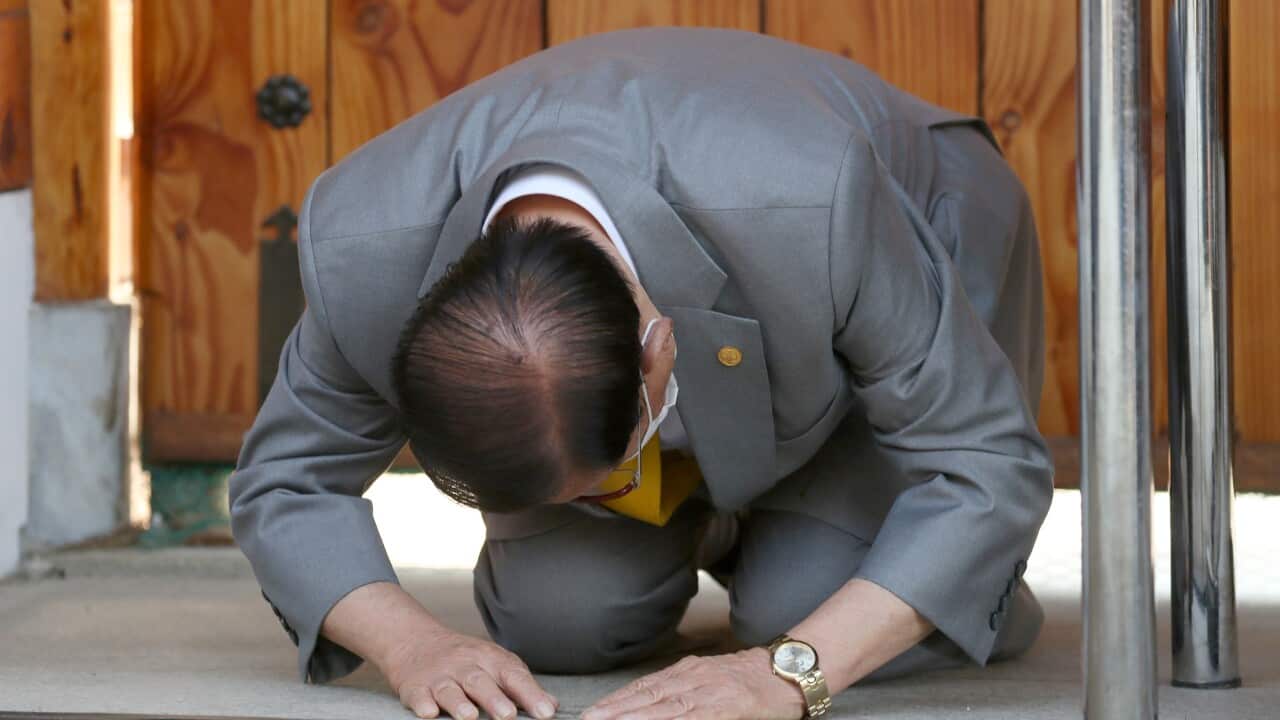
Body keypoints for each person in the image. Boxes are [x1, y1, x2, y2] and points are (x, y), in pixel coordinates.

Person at [230, 26, 1053, 720]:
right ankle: (750, 534)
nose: (601, 507)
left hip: (919, 217)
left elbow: (982, 463)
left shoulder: (815, 202)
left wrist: (784, 675)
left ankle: (813, 550)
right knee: (558, 623)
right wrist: (414, 645)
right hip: (711, 288)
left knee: (796, 612)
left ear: (661, 350)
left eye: (610, 478)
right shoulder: (361, 258)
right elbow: (284, 481)